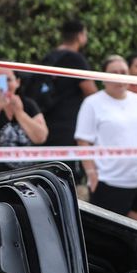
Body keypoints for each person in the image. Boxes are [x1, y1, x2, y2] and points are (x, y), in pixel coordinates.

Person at [76, 56, 137, 221]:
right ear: (103, 77)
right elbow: (83, 141)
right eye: (114, 72)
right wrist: (91, 174)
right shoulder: (92, 103)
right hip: (110, 183)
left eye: (123, 72)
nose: (120, 76)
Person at [33, 18, 99, 186]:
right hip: (69, 124)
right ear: (80, 36)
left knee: (50, 172)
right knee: (68, 176)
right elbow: (91, 92)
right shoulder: (75, 59)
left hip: (47, 121)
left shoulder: (50, 57)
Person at [0, 67, 47, 171]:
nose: (5, 85)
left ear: (17, 82)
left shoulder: (28, 104)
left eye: (8, 80)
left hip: (25, 175)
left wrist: (20, 113)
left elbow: (41, 136)